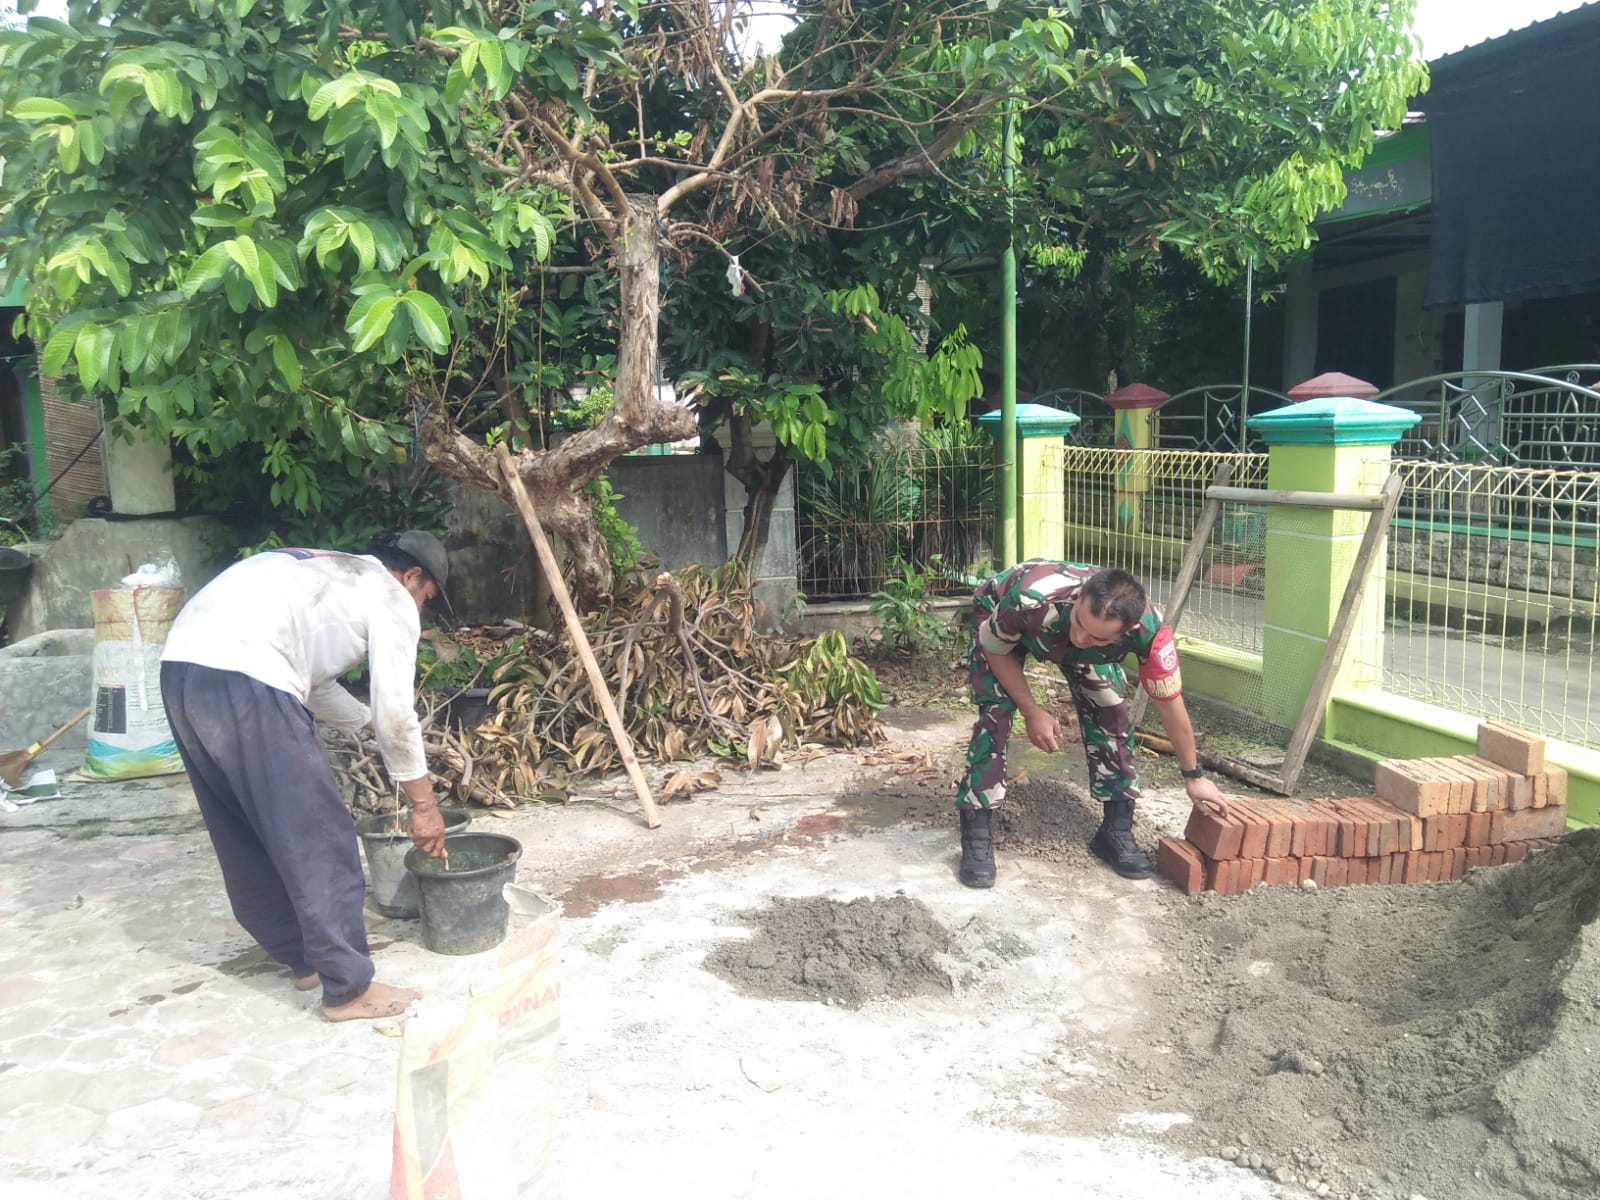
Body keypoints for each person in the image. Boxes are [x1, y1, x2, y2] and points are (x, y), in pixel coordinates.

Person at [160, 531, 453, 1020]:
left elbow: (314, 683)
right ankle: (349, 989)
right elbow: (396, 709)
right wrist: (423, 803)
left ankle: (304, 959)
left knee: (245, 829)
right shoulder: (389, 595)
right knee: (320, 834)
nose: (420, 611)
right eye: (426, 599)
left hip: (183, 670)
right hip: (249, 678)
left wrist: (363, 726)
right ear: (412, 576)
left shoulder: (329, 571)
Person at [955, 560, 1229, 888]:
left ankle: (1115, 830)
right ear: (1081, 596)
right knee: (996, 712)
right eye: (1081, 623)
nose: (1081, 638)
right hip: (1006, 620)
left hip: (1059, 625)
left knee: (1111, 707)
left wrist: (1193, 776)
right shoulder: (1029, 599)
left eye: (1097, 637)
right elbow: (997, 650)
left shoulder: (1150, 632)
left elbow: (1170, 705)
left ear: (1125, 632)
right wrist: (1032, 711)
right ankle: (977, 831)